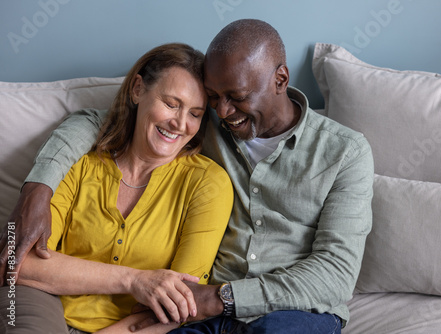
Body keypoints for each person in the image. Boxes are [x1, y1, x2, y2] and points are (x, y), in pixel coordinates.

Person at [1, 19, 373, 333]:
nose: (223, 112)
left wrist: (219, 297)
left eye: (236, 96)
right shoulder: (202, 122)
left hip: (285, 312)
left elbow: (335, 273)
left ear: (280, 79)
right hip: (199, 314)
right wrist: (38, 187)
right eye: (213, 98)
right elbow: (102, 123)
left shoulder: (345, 153)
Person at [0, 43, 233, 333]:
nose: (180, 123)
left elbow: (179, 303)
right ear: (137, 90)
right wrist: (134, 280)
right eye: (171, 104)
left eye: (195, 114)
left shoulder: (208, 184)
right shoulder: (80, 162)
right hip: (47, 308)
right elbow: (22, 264)